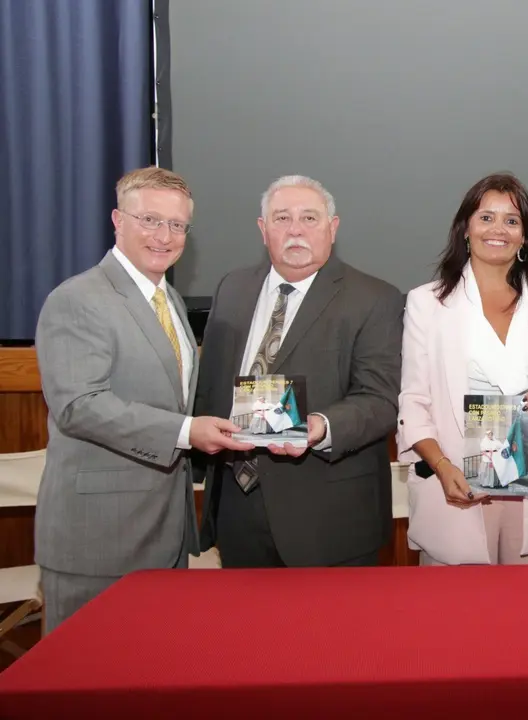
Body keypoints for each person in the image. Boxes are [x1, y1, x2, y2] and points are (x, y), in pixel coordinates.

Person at [34, 167, 252, 633]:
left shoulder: (168, 299)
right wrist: (184, 432)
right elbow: (78, 406)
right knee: (86, 690)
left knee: (150, 683)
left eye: (177, 225)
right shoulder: (78, 299)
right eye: (150, 220)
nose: (164, 236)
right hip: (99, 537)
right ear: (117, 219)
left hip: (167, 532)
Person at [193, 175, 403, 568]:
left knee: (332, 631)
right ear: (263, 229)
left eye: (309, 218)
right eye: (282, 218)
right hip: (238, 509)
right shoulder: (231, 288)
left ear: (332, 227)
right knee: (245, 630)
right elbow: (212, 384)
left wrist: (322, 425)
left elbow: (381, 399)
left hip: (328, 518)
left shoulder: (375, 299)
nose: (295, 230)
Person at [397, 173, 528, 565]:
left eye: (512, 220)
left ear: (524, 237)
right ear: (465, 228)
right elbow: (414, 402)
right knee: (456, 621)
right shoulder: (425, 303)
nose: (498, 229)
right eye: (486, 218)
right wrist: (443, 467)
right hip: (457, 488)